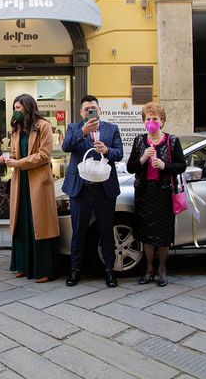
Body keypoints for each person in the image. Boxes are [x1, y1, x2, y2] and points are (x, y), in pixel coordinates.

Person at [62, 95, 123, 288]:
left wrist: (107, 151)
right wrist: (83, 131)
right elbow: (66, 147)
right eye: (86, 109)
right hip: (80, 189)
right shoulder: (73, 128)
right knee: (78, 232)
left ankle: (110, 271)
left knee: (106, 231)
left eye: (93, 108)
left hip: (104, 189)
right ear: (81, 112)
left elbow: (119, 154)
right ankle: (75, 270)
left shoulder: (111, 129)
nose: (90, 111)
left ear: (99, 110)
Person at [127, 102, 186, 287]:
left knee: (162, 235)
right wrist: (143, 158)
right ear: (144, 121)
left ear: (162, 121)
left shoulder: (172, 140)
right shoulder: (139, 141)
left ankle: (162, 269)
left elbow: (181, 165)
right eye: (148, 119)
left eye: (155, 119)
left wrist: (164, 166)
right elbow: (131, 167)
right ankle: (149, 269)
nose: (151, 122)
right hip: (145, 193)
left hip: (163, 194)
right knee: (146, 234)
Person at [4, 94, 59, 282]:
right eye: (14, 108)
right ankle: (22, 265)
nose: (16, 111)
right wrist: (7, 159)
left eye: (18, 108)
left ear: (28, 107)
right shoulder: (16, 129)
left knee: (39, 225)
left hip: (38, 182)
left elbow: (44, 155)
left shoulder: (43, 126)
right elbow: (13, 152)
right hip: (21, 181)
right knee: (22, 223)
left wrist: (19, 162)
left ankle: (43, 270)